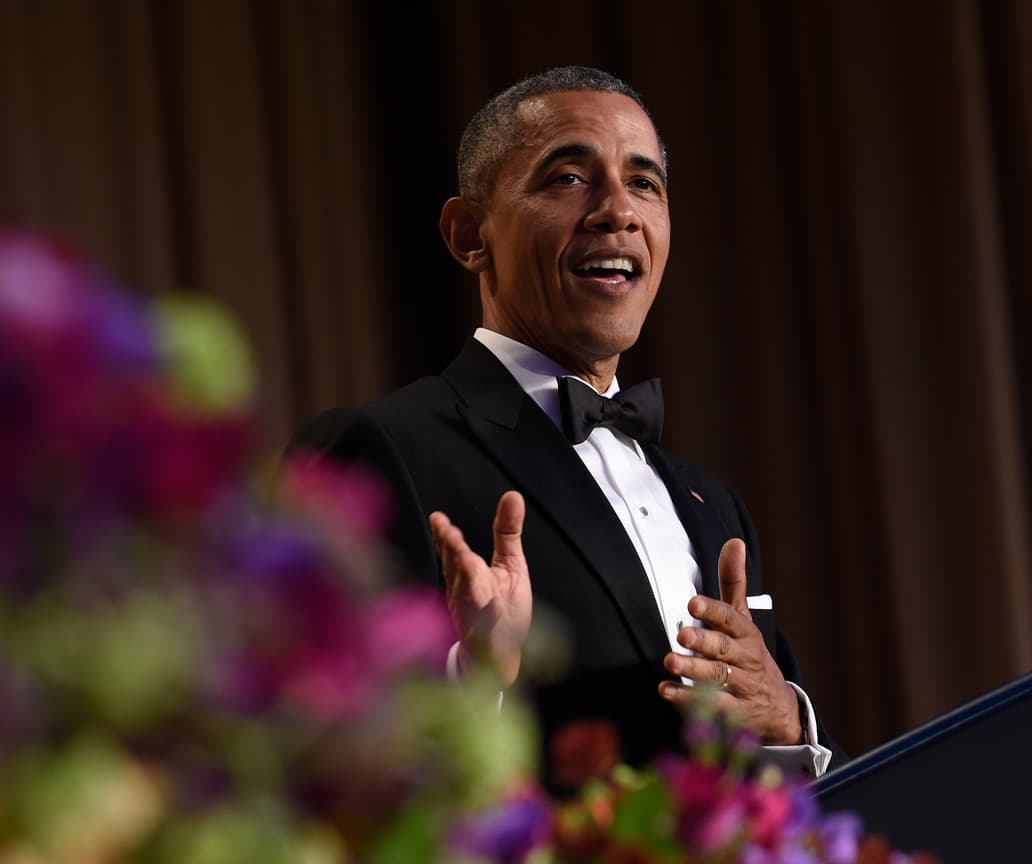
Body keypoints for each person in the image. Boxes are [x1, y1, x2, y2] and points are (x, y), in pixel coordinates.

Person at [293, 66, 845, 779]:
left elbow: (783, 792)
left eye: (644, 183)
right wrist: (476, 677)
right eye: (568, 178)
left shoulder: (715, 508)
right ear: (469, 235)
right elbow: (309, 745)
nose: (618, 211)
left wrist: (787, 719)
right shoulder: (379, 450)